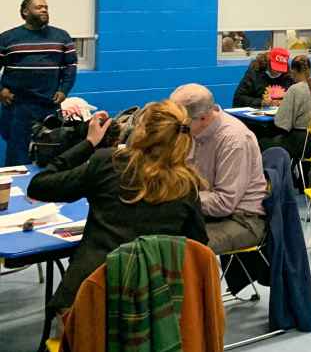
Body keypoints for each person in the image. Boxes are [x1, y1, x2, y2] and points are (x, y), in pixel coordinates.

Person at [27, 101, 208, 312]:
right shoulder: (187, 185)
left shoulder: (107, 163)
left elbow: (39, 186)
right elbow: (198, 246)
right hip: (153, 307)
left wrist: (89, 143)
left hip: (89, 300)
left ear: (139, 133)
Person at [171, 83, 267, 253]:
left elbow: (224, 202)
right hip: (210, 212)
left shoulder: (234, 141)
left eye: (181, 124)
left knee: (177, 250)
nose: (178, 128)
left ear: (204, 117)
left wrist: (179, 199)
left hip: (242, 220)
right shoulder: (196, 130)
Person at [0, 0, 77, 165]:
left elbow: (70, 65)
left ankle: (43, 188)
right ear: (25, 12)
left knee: (50, 151)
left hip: (49, 104)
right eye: (39, 7)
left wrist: (64, 90)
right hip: (17, 105)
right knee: (17, 155)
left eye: (46, 7)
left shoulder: (61, 36)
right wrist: (1, 90)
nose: (44, 10)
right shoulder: (7, 38)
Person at [270, 55, 311, 159]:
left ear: (293, 72)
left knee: (265, 142)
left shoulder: (294, 90)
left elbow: (282, 123)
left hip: (305, 144)